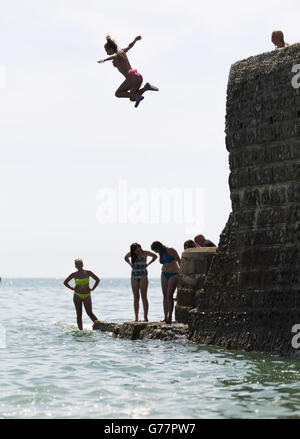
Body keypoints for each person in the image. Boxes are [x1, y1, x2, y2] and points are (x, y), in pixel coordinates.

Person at [97, 35, 159, 108]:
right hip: (137, 76)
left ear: (111, 49)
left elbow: (113, 56)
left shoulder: (116, 55)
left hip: (131, 77)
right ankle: (146, 88)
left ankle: (138, 96)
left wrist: (104, 60)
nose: (107, 53)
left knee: (118, 94)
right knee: (132, 98)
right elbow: (130, 46)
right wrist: (135, 40)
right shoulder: (122, 51)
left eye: (107, 51)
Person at [63, 259, 100, 330]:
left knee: (89, 312)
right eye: (77, 264)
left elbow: (97, 280)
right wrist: (72, 288)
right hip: (77, 295)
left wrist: (92, 288)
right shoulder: (74, 274)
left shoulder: (88, 273)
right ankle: (81, 331)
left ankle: (100, 327)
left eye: (80, 264)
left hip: (87, 295)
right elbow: (65, 282)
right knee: (79, 314)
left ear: (83, 264)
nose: (79, 265)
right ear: (75, 266)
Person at [124, 243, 157, 322]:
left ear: (140, 247)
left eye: (138, 249)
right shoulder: (131, 254)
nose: (137, 251)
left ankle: (145, 317)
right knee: (136, 297)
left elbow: (155, 256)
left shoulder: (145, 253)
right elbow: (125, 257)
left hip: (143, 275)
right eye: (135, 250)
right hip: (134, 275)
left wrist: (148, 264)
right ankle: (136, 318)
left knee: (144, 297)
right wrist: (129, 264)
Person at [151, 241, 181, 324]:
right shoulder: (160, 253)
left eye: (156, 250)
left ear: (159, 247)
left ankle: (170, 316)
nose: (156, 252)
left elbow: (179, 260)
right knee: (164, 295)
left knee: (169, 295)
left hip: (174, 274)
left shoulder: (170, 250)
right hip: (164, 274)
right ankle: (165, 316)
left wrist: (182, 273)